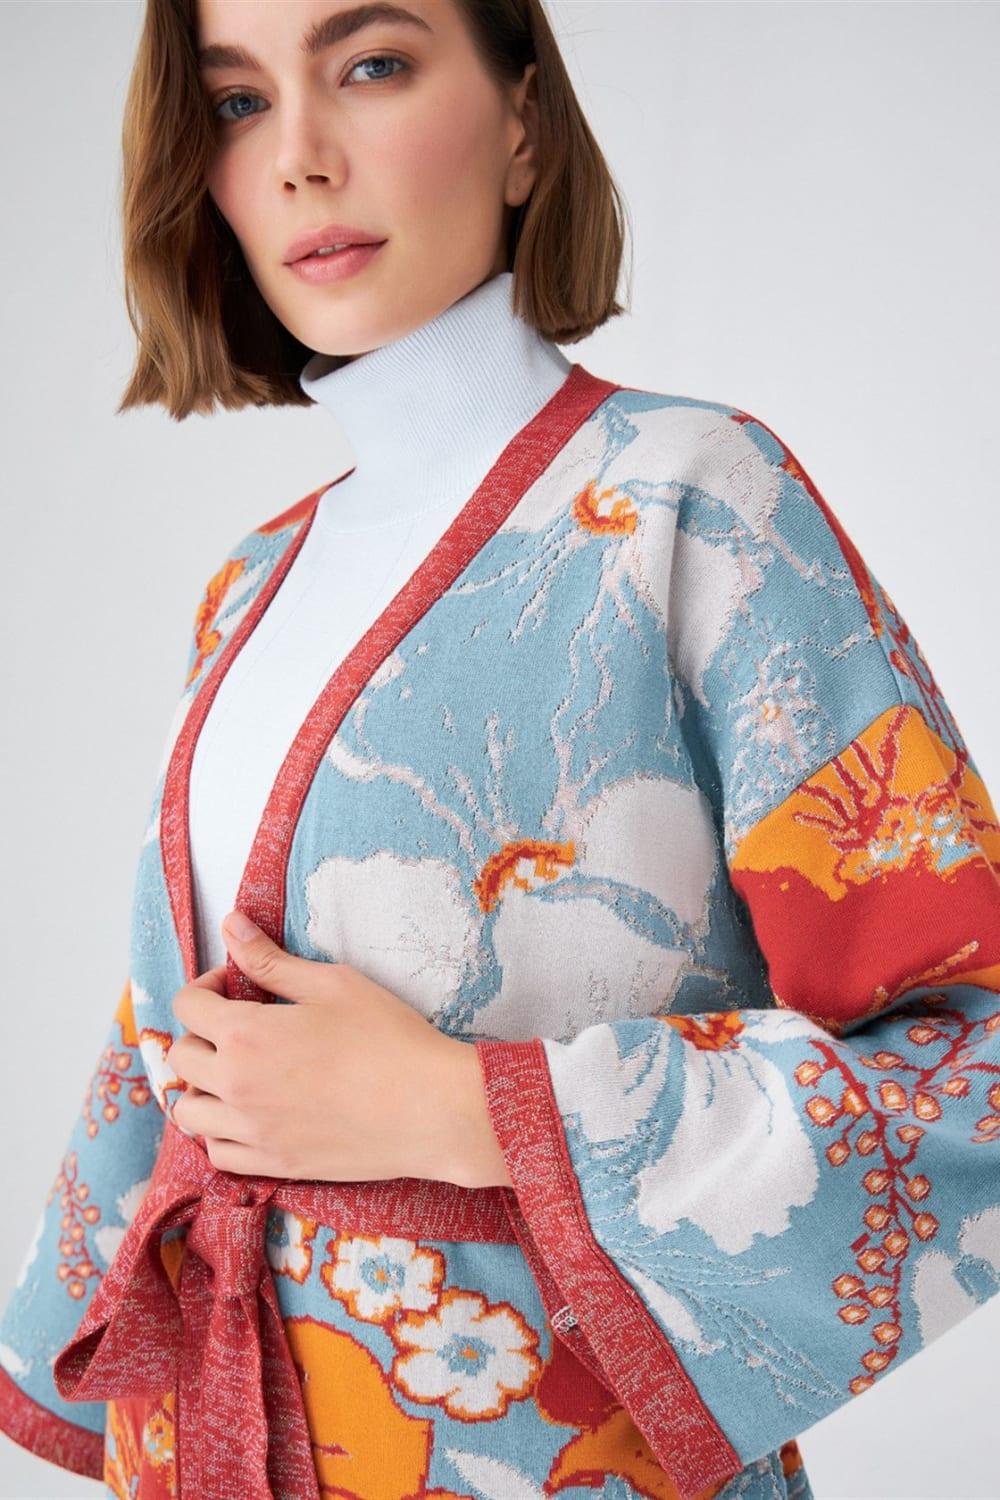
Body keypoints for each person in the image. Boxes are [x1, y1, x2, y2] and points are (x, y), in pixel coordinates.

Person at [1, 1, 997, 1497]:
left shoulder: (694, 500)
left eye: (372, 66)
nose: (300, 158)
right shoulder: (251, 584)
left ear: (524, 123)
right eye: (238, 104)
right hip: (221, 1435)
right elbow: (190, 1031)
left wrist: (465, 1110)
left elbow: (971, 1053)